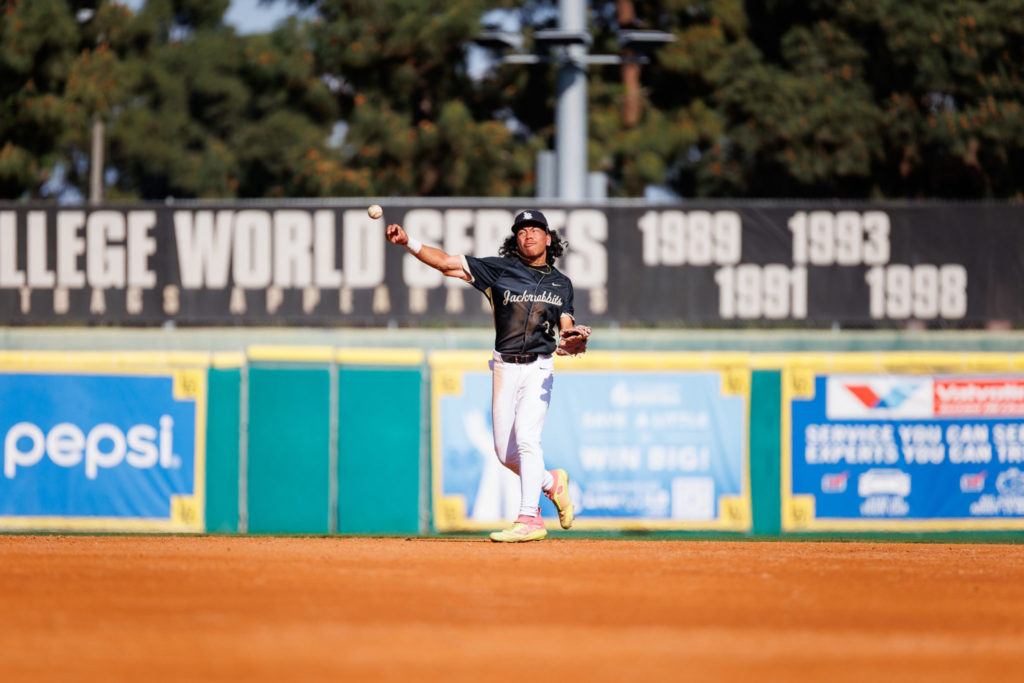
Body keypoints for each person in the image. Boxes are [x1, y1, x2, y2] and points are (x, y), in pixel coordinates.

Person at [385, 209, 591, 542]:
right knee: (505, 454)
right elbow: (445, 263)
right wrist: (409, 242)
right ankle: (552, 483)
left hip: (539, 366)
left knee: (527, 439)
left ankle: (529, 519)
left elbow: (566, 330)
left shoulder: (562, 284)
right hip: (504, 367)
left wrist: (572, 340)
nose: (527, 234)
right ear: (516, 240)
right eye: (521, 231)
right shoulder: (499, 270)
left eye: (534, 229)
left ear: (548, 238)